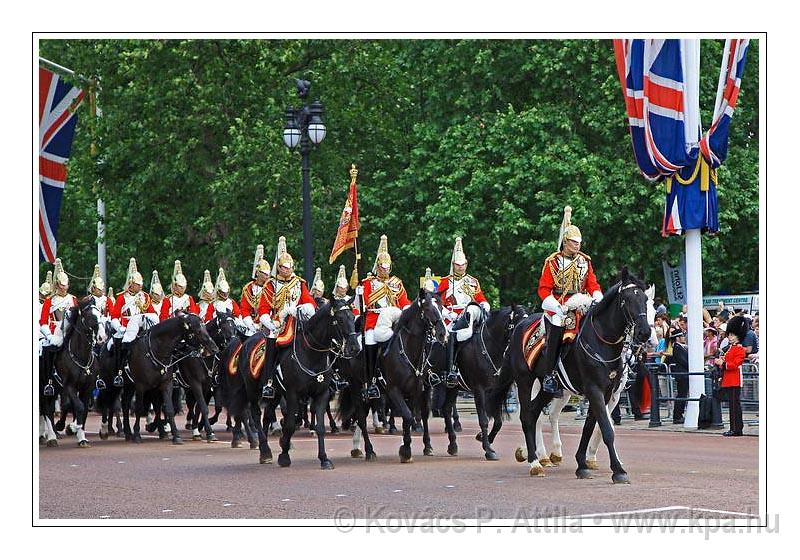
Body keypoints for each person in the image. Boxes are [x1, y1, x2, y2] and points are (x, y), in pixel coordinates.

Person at [537, 206, 602, 397]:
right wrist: (557, 307)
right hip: (560, 305)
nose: (577, 246)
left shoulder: (585, 261)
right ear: (565, 242)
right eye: (574, 242)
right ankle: (550, 375)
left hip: (581, 303)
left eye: (579, 243)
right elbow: (544, 289)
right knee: (557, 323)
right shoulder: (553, 262)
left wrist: (598, 298)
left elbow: (593, 284)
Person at [257, 236, 317, 398]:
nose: (287, 270)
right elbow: (263, 308)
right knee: (271, 345)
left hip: (298, 320)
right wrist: (269, 323)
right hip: (278, 323)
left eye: (290, 267)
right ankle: (268, 381)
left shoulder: (299, 283)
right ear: (279, 268)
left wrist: (303, 308)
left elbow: (309, 302)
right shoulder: (271, 284)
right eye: (284, 267)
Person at [358, 234, 411, 399]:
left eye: (388, 267)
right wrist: (359, 295)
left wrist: (408, 309)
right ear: (377, 266)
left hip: (394, 321)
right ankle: (372, 380)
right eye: (382, 267)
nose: (385, 270)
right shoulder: (368, 283)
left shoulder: (397, 283)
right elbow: (364, 305)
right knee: (370, 341)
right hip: (374, 322)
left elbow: (404, 301)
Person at [436, 237, 490, 386]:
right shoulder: (445, 281)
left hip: (470, 315)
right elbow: (437, 302)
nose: (460, 267)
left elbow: (480, 297)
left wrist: (485, 305)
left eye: (463, 265)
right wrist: (448, 313)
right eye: (457, 265)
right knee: (450, 334)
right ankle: (451, 369)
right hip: (451, 317)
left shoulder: (473, 281)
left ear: (466, 264)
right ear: (453, 265)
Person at [110, 258, 154, 386]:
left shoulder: (145, 296)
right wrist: (120, 328)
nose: (140, 286)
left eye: (141, 284)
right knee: (118, 344)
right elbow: (114, 316)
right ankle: (119, 372)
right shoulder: (122, 297)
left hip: (142, 327)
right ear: (131, 283)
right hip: (126, 328)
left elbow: (152, 313)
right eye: (137, 284)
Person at [714, 315, 748, 436]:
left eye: (732, 335)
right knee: (732, 405)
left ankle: (736, 429)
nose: (730, 337)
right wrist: (721, 361)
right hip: (728, 379)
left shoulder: (740, 349)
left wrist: (723, 363)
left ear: (738, 336)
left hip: (734, 379)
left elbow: (735, 364)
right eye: (729, 334)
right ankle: (734, 427)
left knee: (734, 406)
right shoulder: (731, 348)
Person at [240, 244, 270, 336]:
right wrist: (252, 325)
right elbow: (245, 310)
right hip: (254, 324)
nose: (267, 276)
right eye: (264, 273)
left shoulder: (271, 287)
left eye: (268, 274)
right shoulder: (248, 289)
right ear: (257, 273)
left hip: (270, 322)